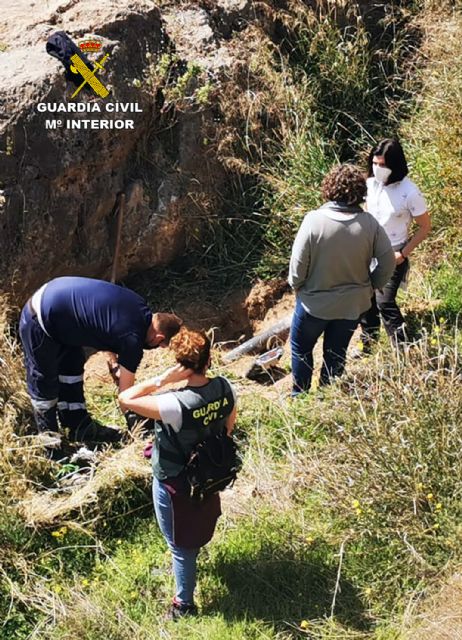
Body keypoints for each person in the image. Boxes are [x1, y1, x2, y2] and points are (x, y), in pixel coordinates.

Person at [119, 327, 237, 619]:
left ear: (180, 364)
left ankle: (184, 605)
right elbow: (228, 428)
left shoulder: (173, 404)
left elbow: (126, 397)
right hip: (209, 472)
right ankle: (187, 563)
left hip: (175, 479)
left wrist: (163, 380)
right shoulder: (225, 387)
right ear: (209, 359)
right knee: (197, 520)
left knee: (179, 542)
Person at [19, 276, 182, 453]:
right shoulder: (133, 339)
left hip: (62, 312)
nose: (157, 348)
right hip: (40, 319)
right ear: (158, 338)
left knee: (71, 370)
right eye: (160, 345)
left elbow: (106, 331)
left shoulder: (138, 307)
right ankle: (51, 448)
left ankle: (79, 426)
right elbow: (126, 398)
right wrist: (138, 430)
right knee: (45, 385)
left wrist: (114, 365)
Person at [288, 163, 395, 396]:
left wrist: (299, 287)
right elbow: (388, 263)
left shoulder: (313, 220)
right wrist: (371, 287)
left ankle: (300, 397)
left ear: (329, 189)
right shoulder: (370, 224)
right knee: (336, 353)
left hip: (313, 304)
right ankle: (329, 397)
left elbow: (296, 269)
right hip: (353, 305)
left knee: (301, 349)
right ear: (360, 193)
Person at [359, 138, 431, 351]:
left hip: (393, 251)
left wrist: (403, 253)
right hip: (366, 249)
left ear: (395, 165)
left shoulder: (409, 191)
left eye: (383, 165)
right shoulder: (370, 184)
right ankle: (369, 345)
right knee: (365, 299)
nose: (377, 169)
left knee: (385, 301)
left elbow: (425, 227)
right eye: (374, 163)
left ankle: (403, 349)